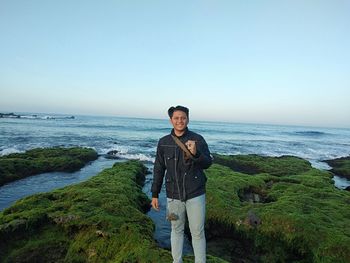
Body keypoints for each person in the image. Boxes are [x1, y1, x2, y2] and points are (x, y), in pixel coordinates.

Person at [151, 105, 212, 263]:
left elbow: (208, 163)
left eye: (183, 118)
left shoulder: (197, 139)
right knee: (176, 230)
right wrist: (155, 194)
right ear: (171, 120)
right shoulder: (163, 142)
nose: (180, 121)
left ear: (188, 119)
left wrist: (196, 153)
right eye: (176, 118)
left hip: (195, 194)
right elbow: (158, 168)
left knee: (197, 232)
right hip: (173, 196)